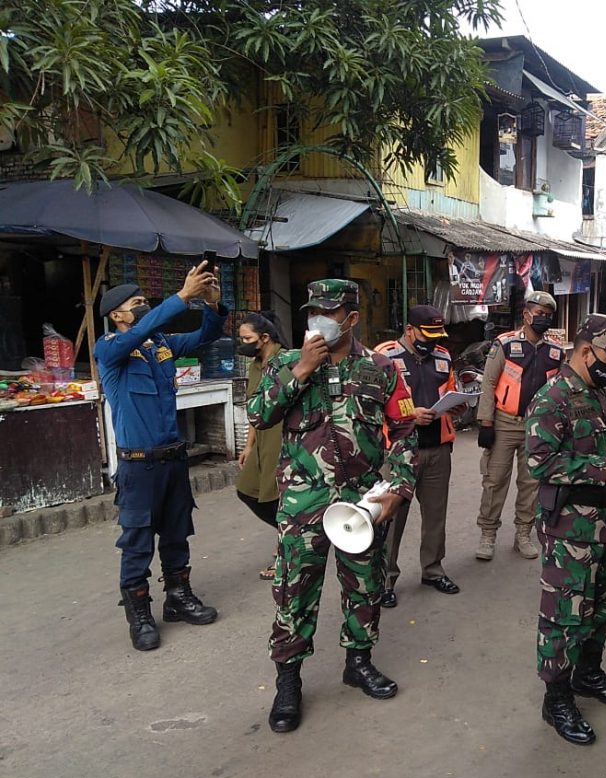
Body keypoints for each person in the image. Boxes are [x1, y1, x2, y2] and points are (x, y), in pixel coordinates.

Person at [247, 279, 418, 734]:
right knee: (294, 592)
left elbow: (404, 430)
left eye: (328, 312)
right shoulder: (285, 361)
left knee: (365, 585)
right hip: (302, 502)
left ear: (351, 318)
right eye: (312, 312)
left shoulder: (381, 368)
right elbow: (259, 414)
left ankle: (358, 662)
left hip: (360, 501)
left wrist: (399, 487)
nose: (318, 320)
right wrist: (301, 369)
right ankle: (288, 682)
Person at [526, 314, 606, 746]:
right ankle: (556, 697)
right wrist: (604, 470)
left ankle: (588, 674)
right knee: (566, 614)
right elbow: (539, 463)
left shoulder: (603, 394)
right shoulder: (552, 397)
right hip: (571, 527)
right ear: (584, 351)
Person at [96, 261, 224, 652]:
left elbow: (206, 336)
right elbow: (139, 332)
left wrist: (212, 305)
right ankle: (139, 614)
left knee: (176, 533)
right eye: (136, 304)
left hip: (173, 460)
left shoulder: (161, 345)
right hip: (139, 466)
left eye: (144, 302)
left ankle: (178, 598)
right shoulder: (110, 350)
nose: (144, 307)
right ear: (117, 316)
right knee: (137, 542)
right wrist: (182, 296)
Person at [375, 304, 466, 607]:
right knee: (390, 517)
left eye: (437, 335)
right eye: (427, 334)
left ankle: (432, 570)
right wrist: (410, 414)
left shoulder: (442, 356)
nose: (433, 341)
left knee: (435, 515)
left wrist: (456, 405)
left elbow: (449, 390)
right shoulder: (384, 357)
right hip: (398, 451)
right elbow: (371, 403)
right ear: (409, 330)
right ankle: (384, 579)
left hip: (437, 447)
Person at [474, 291, 564, 561]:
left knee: (531, 483)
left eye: (548, 315)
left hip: (538, 426)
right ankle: (488, 534)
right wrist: (486, 422)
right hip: (504, 422)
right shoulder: (504, 344)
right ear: (526, 315)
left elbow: (559, 391)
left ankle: (523, 534)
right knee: (494, 481)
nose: (544, 319)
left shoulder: (555, 352)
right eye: (539, 314)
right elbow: (489, 382)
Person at [235, 311, 287, 580]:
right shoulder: (255, 365)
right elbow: (255, 408)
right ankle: (293, 533)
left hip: (283, 438)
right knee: (247, 490)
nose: (243, 344)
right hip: (262, 440)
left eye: (247, 339)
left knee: (279, 496)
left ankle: (286, 548)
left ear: (264, 338)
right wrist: (248, 445)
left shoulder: (286, 361)